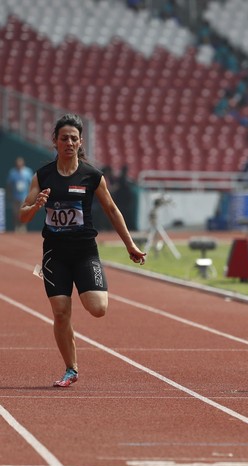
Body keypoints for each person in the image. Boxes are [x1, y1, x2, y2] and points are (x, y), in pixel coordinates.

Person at [19, 114, 147, 387]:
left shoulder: (92, 176)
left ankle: (85, 292)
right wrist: (37, 205)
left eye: (73, 139)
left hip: (85, 252)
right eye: (63, 138)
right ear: (54, 141)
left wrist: (130, 244)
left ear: (80, 142)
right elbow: (22, 216)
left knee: (98, 308)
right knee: (61, 312)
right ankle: (71, 368)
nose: (69, 142)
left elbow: (112, 210)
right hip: (54, 254)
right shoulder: (42, 176)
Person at [6, 156, 33, 232]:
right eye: (18, 162)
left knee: (23, 213)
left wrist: (30, 195)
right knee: (15, 213)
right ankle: (16, 227)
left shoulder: (27, 172)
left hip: (24, 197)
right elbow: (9, 184)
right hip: (15, 196)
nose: (19, 164)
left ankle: (23, 227)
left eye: (20, 162)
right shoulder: (12, 172)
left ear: (23, 163)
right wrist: (10, 194)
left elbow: (31, 184)